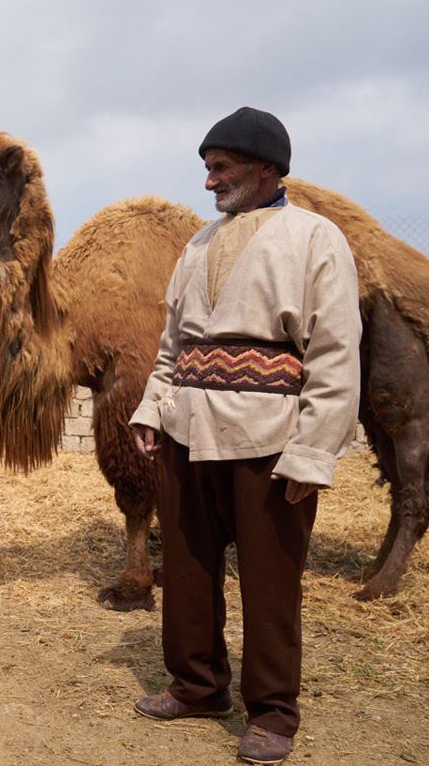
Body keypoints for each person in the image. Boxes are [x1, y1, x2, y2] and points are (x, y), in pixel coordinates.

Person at [128, 107, 362, 765]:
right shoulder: (198, 245)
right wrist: (152, 410)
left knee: (269, 579)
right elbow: (173, 345)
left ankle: (273, 713)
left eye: (221, 168)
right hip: (188, 431)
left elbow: (337, 353)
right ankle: (198, 686)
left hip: (269, 436)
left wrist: (313, 451)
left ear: (266, 169)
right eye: (206, 169)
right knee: (187, 564)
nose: (209, 182)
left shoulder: (316, 238)